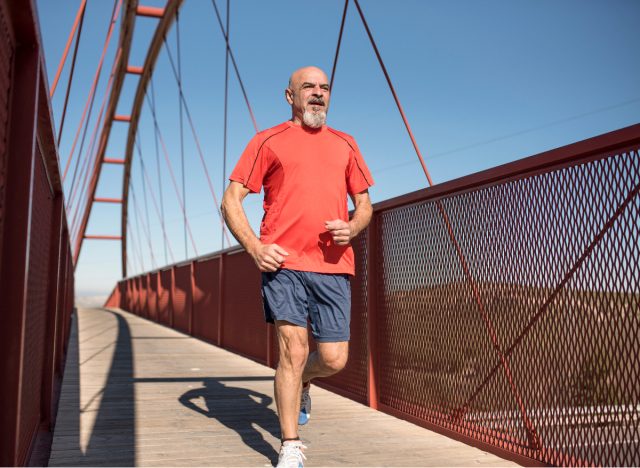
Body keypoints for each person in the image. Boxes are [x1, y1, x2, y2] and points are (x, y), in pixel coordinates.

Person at [221, 66, 374, 468]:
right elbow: (231, 200)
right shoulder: (267, 140)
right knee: (292, 350)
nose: (318, 94)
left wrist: (353, 226)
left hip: (333, 265)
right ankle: (290, 445)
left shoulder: (345, 144)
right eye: (308, 87)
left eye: (324, 88)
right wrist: (255, 249)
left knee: (335, 358)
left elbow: (365, 206)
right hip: (283, 264)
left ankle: (307, 379)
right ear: (290, 96)